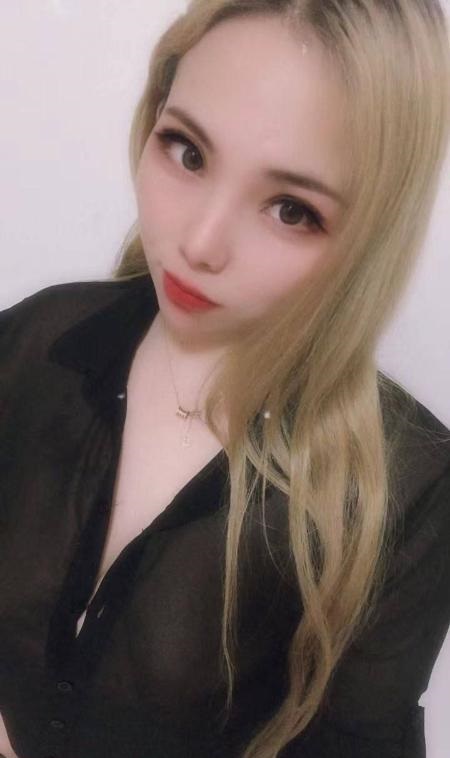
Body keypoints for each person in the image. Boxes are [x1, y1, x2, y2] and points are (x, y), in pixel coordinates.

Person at [1, 1, 449, 756]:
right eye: (187, 151)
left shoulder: (406, 492)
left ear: (371, 233)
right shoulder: (36, 339)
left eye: (291, 210)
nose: (200, 243)